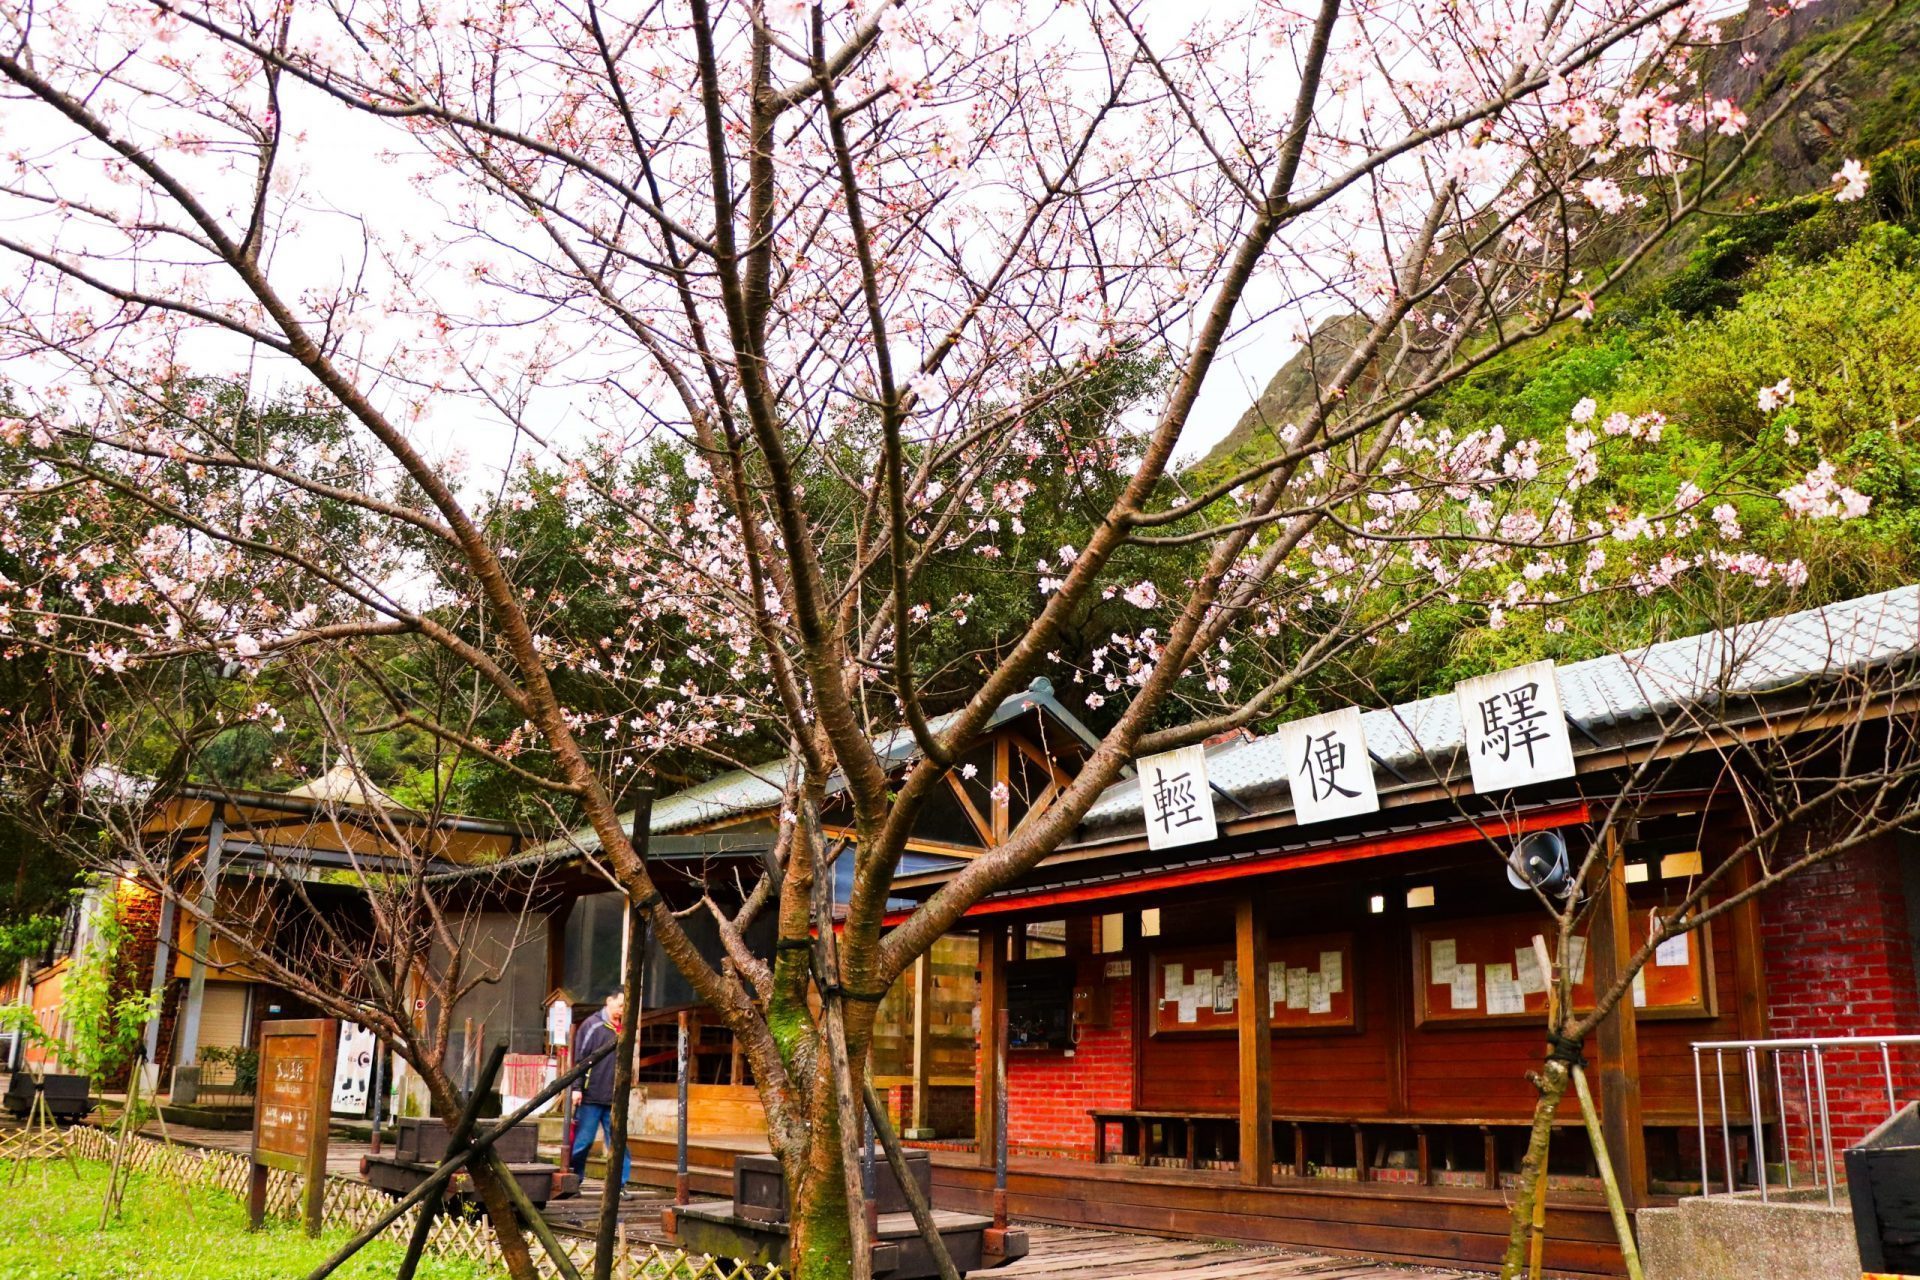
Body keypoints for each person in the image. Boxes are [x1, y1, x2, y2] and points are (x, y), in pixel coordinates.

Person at [569, 990, 633, 1191]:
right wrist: (576, 1088)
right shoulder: (592, 1025)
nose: (621, 1010)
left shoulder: (624, 1028)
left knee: (618, 1144)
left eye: (626, 1007)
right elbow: (580, 1060)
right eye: (620, 1005)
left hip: (615, 1098)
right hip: (590, 1096)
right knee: (583, 1143)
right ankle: (573, 1181)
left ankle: (619, 1185)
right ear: (609, 1001)